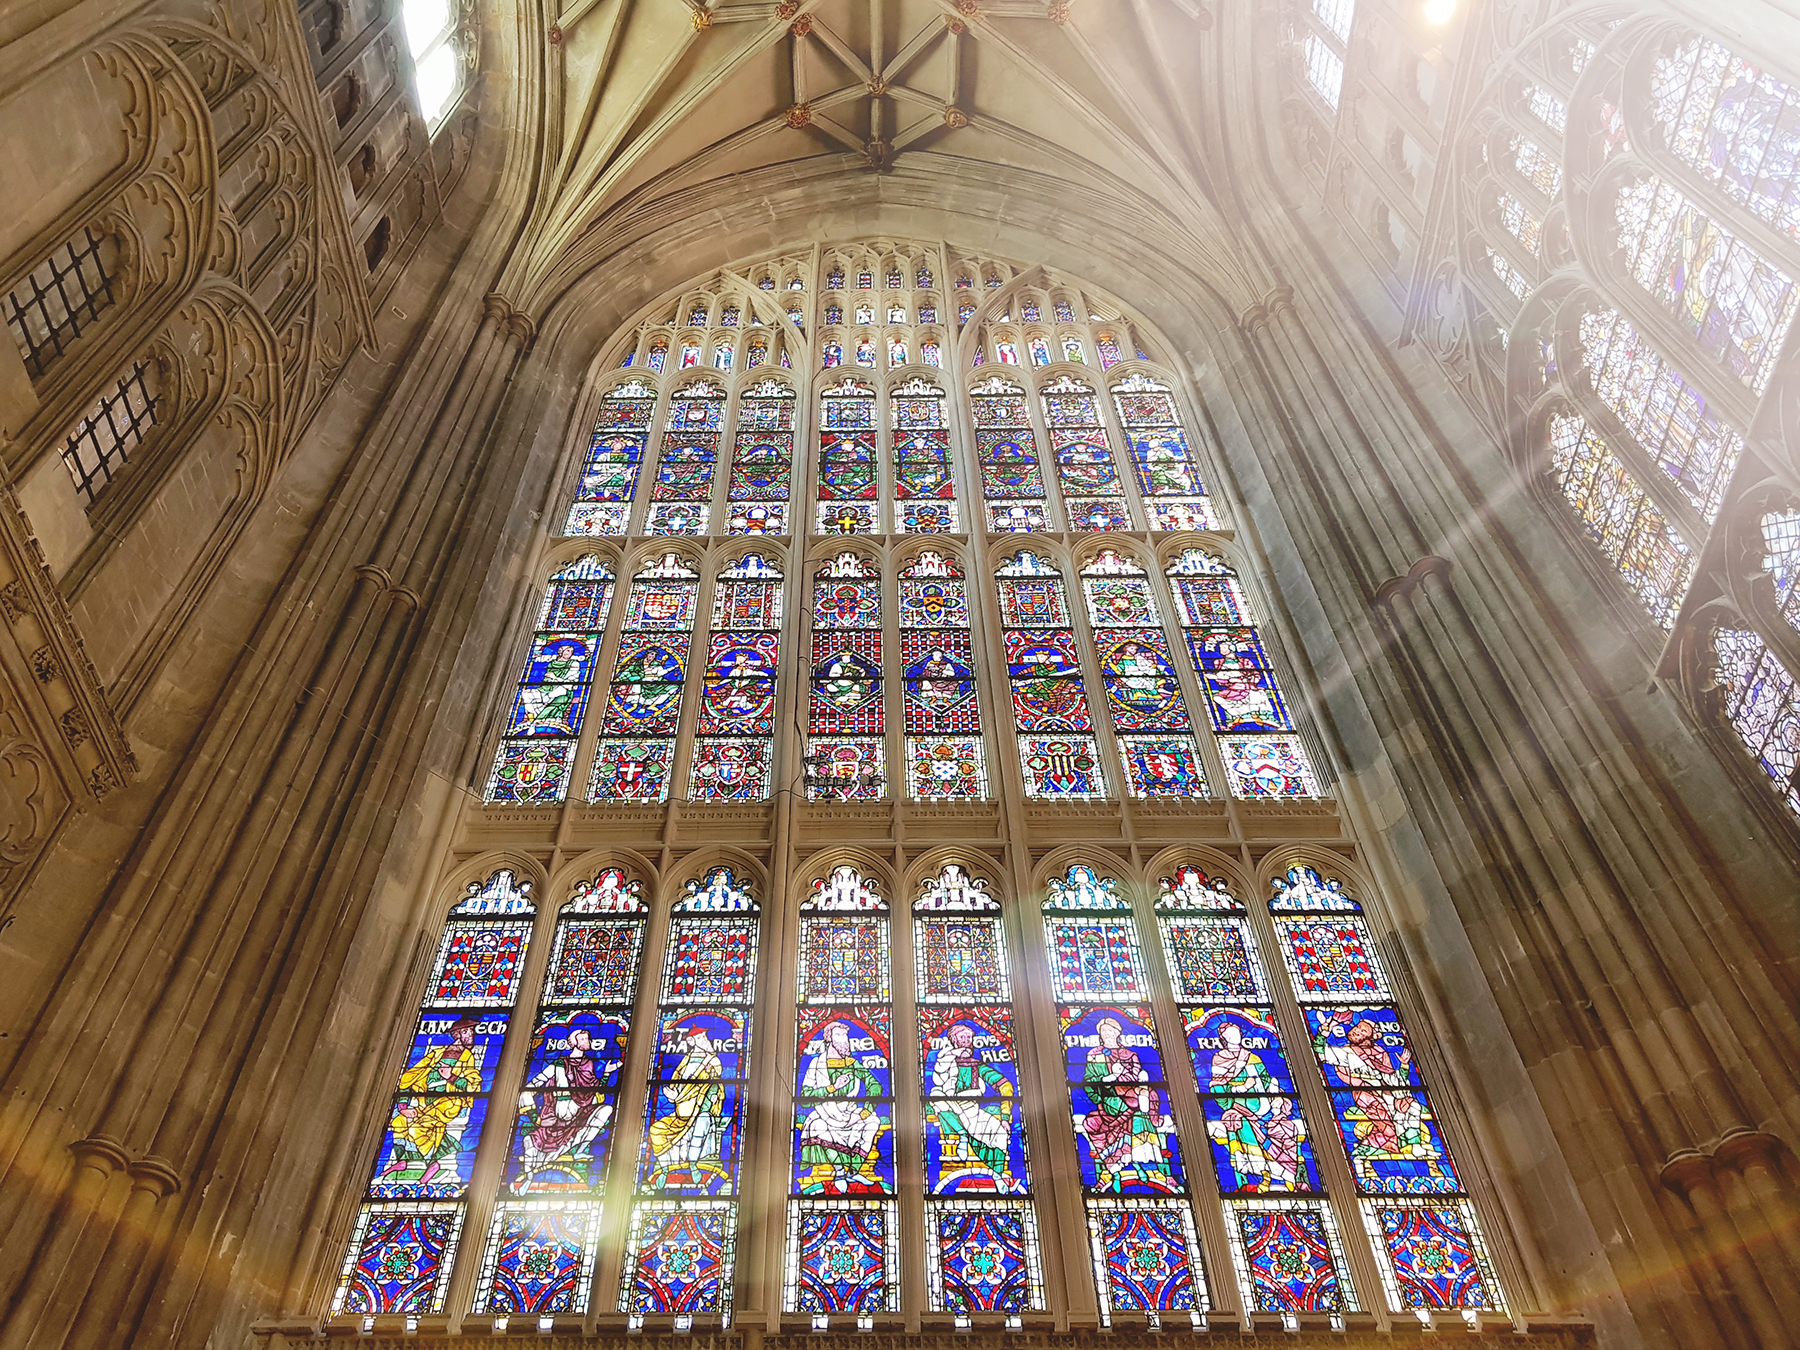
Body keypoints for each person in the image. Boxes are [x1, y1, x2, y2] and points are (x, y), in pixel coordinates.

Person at [511, 1024, 610, 1191]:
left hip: (579, 1115)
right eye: (584, 1039)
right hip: (556, 1117)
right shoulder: (559, 1065)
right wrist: (535, 1117)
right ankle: (528, 1178)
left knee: (607, 1109)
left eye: (588, 1039)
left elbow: (595, 1093)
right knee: (530, 1143)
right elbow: (530, 1088)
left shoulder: (588, 1065)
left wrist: (606, 1073)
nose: (588, 1041)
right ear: (574, 1042)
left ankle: (580, 1149)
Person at [1205, 1020, 1297, 1190]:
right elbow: (1216, 1089)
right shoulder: (1219, 1059)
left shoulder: (1253, 1057)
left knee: (1286, 1128)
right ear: (1223, 1038)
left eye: (1237, 1032)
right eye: (1230, 1034)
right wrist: (1240, 1088)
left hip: (1265, 1107)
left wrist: (1277, 1096)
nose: (1235, 1036)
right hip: (1241, 1109)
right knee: (1243, 1127)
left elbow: (1268, 1080)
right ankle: (1264, 1176)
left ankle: (1290, 1177)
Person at [1080, 1015, 1169, 1189]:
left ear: (1118, 1032)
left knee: (1140, 1113)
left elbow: (1137, 1074)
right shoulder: (1094, 1055)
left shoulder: (1130, 1054)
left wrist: (1121, 1076)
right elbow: (1089, 1079)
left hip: (1131, 1095)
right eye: (1103, 1031)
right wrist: (1109, 1078)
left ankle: (1147, 1167)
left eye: (1110, 1030)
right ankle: (1113, 1168)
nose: (1107, 1034)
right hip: (1108, 1100)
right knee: (1090, 1123)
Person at [797, 1020, 885, 1191]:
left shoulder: (853, 1064)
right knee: (817, 1126)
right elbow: (805, 1097)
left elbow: (875, 1085)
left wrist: (864, 1112)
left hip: (851, 1112)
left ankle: (853, 1171)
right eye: (839, 1035)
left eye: (845, 1035)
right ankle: (839, 1172)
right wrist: (832, 1087)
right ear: (829, 1038)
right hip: (825, 1113)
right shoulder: (816, 1065)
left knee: (873, 1122)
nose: (844, 1039)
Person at [927, 1023, 1015, 1188]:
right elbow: (940, 1073)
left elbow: (1005, 1085)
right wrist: (952, 1055)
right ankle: (962, 1135)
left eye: (969, 1038)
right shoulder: (944, 1061)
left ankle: (998, 1176)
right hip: (950, 1105)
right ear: (953, 1040)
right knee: (936, 1096)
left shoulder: (976, 1065)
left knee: (1000, 1134)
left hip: (972, 1108)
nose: (967, 1041)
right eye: (962, 1037)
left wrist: (1004, 1117)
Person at [647, 1026, 725, 1177]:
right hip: (680, 1114)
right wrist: (672, 1096)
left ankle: (693, 1165)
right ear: (691, 1041)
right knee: (655, 1130)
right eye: (701, 1037)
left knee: (702, 1121)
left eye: (705, 1037)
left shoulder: (712, 1060)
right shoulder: (685, 1061)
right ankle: (664, 1169)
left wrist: (712, 1097)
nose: (705, 1040)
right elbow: (677, 1083)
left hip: (700, 1111)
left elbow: (715, 1083)